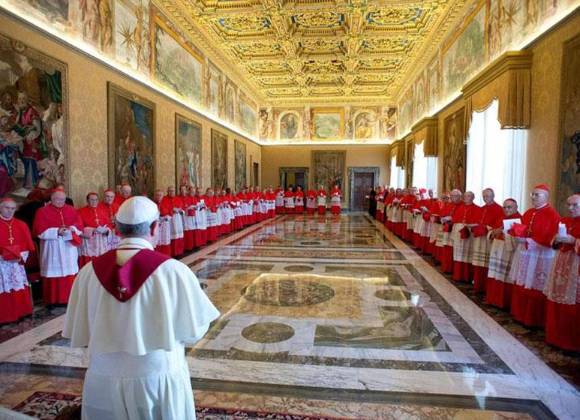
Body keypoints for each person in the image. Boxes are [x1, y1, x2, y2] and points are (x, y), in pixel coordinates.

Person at [63, 196, 220, 419]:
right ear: (155, 227)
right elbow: (195, 331)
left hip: (102, 378)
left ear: (116, 229)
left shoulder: (88, 272)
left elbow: (79, 329)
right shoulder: (173, 271)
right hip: (156, 376)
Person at [508, 184, 560, 327]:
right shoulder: (529, 212)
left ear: (546, 197)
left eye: (537, 195)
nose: (533, 197)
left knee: (535, 285)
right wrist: (516, 232)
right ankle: (519, 314)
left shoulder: (553, 215)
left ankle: (533, 319)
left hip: (540, 255)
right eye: (533, 194)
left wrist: (530, 240)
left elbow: (551, 238)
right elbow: (523, 229)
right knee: (522, 282)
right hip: (526, 253)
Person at [33, 188, 83, 305]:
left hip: (68, 247)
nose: (61, 202)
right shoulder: (42, 211)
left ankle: (69, 299)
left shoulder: (71, 209)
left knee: (69, 274)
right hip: (52, 247)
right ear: (51, 199)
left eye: (63, 199)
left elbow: (79, 225)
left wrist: (73, 228)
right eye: (57, 199)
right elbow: (39, 231)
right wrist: (57, 231)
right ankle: (52, 301)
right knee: (53, 273)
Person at [543, 194, 580, 351]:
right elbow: (554, 242)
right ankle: (554, 337)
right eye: (568, 204)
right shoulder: (564, 221)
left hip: (576, 267)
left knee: (572, 303)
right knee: (557, 298)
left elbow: (573, 241)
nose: (570, 208)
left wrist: (574, 241)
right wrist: (557, 240)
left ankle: (570, 342)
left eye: (575, 205)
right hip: (560, 264)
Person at [0, 198, 36, 323]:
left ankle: (21, 312)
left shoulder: (21, 224)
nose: (10, 211)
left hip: (17, 263)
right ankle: (5, 316)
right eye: (7, 208)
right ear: (0, 208)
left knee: (17, 284)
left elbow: (27, 245)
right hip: (1, 264)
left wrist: (20, 256)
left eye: (13, 208)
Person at [485, 199, 521, 309]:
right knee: (495, 275)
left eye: (509, 207)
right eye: (504, 207)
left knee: (505, 277)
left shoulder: (519, 220)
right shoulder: (500, 218)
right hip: (497, 249)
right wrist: (492, 232)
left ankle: (504, 302)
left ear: (516, 207)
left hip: (508, 252)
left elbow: (518, 240)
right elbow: (491, 232)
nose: (506, 210)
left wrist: (502, 232)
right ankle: (493, 299)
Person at [470, 188, 504, 293]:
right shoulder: (482, 208)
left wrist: (487, 228)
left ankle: (485, 287)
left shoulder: (499, 209)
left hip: (489, 240)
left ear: (493, 196)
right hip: (479, 239)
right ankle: (477, 285)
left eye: (487, 196)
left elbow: (499, 226)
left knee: (487, 264)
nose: (485, 198)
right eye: (484, 196)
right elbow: (477, 221)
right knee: (478, 263)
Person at [78, 192, 111, 267]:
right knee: (89, 263)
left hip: (101, 241)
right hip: (89, 242)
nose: (94, 202)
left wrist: (106, 230)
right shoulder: (80, 211)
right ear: (87, 201)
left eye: (96, 200)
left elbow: (108, 224)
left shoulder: (103, 211)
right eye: (92, 200)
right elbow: (79, 228)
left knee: (101, 262)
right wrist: (93, 230)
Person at [438, 189, 463, 273]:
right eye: (451, 196)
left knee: (455, 250)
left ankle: (453, 269)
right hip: (447, 229)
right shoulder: (449, 205)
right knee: (447, 248)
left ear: (460, 196)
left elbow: (462, 218)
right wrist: (443, 218)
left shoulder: (463, 205)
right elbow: (442, 213)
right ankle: (446, 267)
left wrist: (452, 218)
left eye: (455, 196)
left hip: (456, 231)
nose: (452, 198)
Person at [162, 186, 185, 256]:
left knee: (178, 235)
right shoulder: (164, 199)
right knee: (171, 236)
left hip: (177, 219)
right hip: (169, 220)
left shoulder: (178, 199)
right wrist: (171, 210)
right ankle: (172, 252)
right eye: (170, 191)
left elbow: (182, 208)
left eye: (173, 191)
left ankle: (179, 251)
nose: (171, 192)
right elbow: (163, 209)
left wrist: (180, 210)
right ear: (167, 191)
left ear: (175, 192)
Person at [153, 189, 172, 256]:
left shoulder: (166, 203)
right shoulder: (152, 204)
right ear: (154, 196)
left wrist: (166, 218)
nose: (158, 197)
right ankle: (157, 255)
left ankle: (165, 255)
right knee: (156, 240)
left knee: (165, 239)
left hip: (165, 224)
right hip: (155, 225)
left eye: (160, 195)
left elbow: (170, 213)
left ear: (163, 196)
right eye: (157, 195)